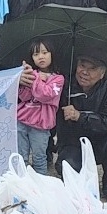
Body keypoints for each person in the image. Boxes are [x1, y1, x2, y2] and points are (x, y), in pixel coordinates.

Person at [56, 51, 107, 203]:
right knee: (65, 167)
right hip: (73, 143)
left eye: (92, 68)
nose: (84, 72)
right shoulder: (65, 85)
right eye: (82, 65)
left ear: (102, 73)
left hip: (100, 143)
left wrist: (80, 116)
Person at [16, 39, 64, 175]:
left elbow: (45, 95)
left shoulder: (58, 79)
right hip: (22, 120)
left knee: (39, 158)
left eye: (45, 52)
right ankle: (22, 184)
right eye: (36, 54)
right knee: (21, 158)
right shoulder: (30, 75)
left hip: (41, 126)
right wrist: (25, 79)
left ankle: (41, 186)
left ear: (52, 54)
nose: (41, 56)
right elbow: (24, 97)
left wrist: (35, 77)